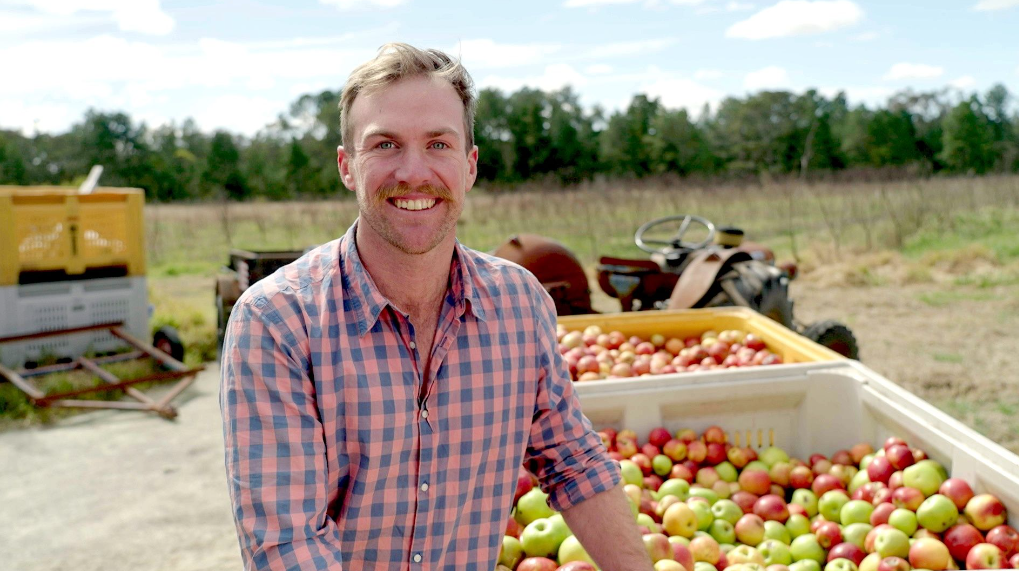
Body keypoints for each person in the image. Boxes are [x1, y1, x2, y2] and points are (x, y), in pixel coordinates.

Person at [220, 42, 655, 571]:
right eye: (384, 145)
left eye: (438, 144)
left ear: (469, 166)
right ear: (347, 167)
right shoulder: (278, 323)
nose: (413, 171)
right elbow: (287, 545)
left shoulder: (519, 305)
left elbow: (575, 464)